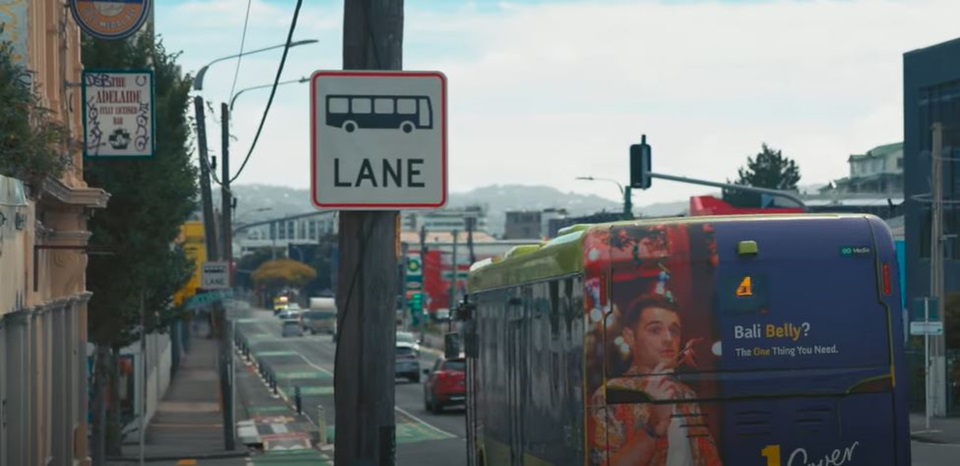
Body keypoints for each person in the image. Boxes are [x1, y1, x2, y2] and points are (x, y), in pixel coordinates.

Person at [590, 293, 722, 466]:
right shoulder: (612, 396)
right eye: (655, 330)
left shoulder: (686, 395)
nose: (668, 339)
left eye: (674, 331)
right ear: (630, 337)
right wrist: (653, 427)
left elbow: (709, 458)